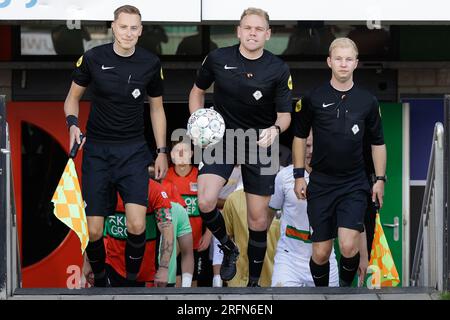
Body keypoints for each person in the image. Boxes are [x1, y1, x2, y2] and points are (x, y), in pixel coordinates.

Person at [64, 5, 168, 287]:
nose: (129, 33)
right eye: (124, 27)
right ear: (114, 27)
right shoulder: (93, 58)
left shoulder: (150, 62)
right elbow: (71, 98)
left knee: (136, 225)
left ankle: (131, 284)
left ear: (141, 30)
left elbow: (156, 110)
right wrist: (73, 124)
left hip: (134, 151)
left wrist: (161, 151)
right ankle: (100, 278)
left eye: (134, 28)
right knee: (94, 231)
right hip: (97, 152)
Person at [188, 7, 292, 287]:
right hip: (222, 138)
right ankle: (228, 247)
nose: (253, 33)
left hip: (261, 143)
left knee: (258, 221)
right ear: (238, 31)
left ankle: (254, 285)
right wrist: (197, 123)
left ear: (268, 34)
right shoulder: (218, 58)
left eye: (259, 29)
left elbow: (285, 115)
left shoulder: (278, 68)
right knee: (206, 201)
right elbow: (197, 92)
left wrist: (275, 129)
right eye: (248, 28)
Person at [292, 37, 386, 287]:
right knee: (321, 252)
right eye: (338, 59)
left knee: (348, 245)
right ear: (329, 62)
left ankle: (345, 291)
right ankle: (324, 294)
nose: (343, 64)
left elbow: (378, 143)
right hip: (321, 183)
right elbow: (300, 137)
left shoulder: (368, 101)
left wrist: (379, 179)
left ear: (356, 63)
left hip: (354, 183)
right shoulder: (313, 98)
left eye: (348, 59)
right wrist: (299, 175)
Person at [270, 133, 339, 287]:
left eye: (316, 146)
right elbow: (268, 216)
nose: (311, 151)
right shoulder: (283, 177)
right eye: (307, 146)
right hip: (288, 261)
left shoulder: (337, 178)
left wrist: (362, 257)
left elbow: (353, 221)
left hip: (326, 259)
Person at [162, 138, 206, 287]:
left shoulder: (201, 176)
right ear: (171, 156)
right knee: (174, 284)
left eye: (185, 151)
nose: (181, 155)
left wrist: (208, 235)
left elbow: (210, 207)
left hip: (196, 241)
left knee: (191, 288)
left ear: (192, 154)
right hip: (171, 242)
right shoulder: (165, 176)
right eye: (177, 151)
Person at [213, 189, 280, 287]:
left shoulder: (285, 199)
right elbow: (223, 240)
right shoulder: (234, 199)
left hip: (275, 282)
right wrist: (217, 278)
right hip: (239, 282)